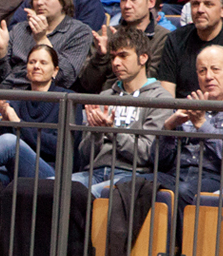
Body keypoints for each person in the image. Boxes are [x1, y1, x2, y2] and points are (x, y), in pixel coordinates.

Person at [140, 45, 223, 211]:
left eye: (215, 69)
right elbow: (159, 162)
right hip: (177, 173)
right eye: (202, 71)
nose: (208, 77)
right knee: (130, 185)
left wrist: (201, 124)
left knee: (180, 193)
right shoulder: (190, 102)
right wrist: (168, 129)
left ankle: (171, 238)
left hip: (218, 176)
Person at [73, 28, 173, 197]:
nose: (116, 63)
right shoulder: (105, 97)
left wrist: (114, 132)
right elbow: (84, 157)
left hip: (131, 175)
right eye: (113, 57)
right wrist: (97, 133)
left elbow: (145, 155)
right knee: (50, 189)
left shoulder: (160, 99)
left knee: (82, 195)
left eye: (123, 56)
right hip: (93, 172)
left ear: (143, 58)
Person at [0, 45, 82, 182]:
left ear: (55, 71)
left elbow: (60, 146)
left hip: (52, 173)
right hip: (14, 168)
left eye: (43, 63)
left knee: (10, 142)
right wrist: (5, 120)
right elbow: (5, 140)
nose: (36, 66)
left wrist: (19, 124)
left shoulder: (68, 100)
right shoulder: (18, 99)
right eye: (32, 62)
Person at [0, 0, 93, 89]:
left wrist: (41, 39)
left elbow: (65, 78)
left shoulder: (80, 32)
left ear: (63, 1)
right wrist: (1, 50)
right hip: (10, 93)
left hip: (49, 98)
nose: (40, 2)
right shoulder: (20, 29)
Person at [78, 0, 171, 92]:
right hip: (105, 103)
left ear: (151, 1)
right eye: (123, 0)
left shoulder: (164, 38)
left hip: (144, 103)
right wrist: (101, 57)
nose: (127, 6)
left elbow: (150, 79)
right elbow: (87, 84)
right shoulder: (105, 35)